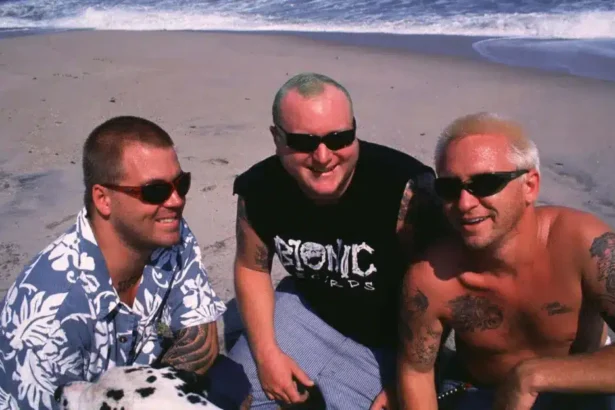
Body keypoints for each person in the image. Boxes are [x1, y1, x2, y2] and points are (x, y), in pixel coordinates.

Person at [223, 72, 439, 409]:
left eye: (339, 138)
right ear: (277, 138)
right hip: (306, 312)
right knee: (229, 396)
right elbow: (252, 267)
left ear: (354, 129)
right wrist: (267, 354)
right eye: (303, 142)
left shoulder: (405, 188)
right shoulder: (260, 188)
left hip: (392, 340)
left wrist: (409, 376)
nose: (323, 156)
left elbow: (440, 290)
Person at [0, 116, 227, 410]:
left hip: (146, 392)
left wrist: (153, 395)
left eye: (181, 184)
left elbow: (200, 338)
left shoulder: (169, 234)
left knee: (233, 382)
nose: (176, 201)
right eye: (155, 191)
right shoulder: (49, 318)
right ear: (103, 199)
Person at [397, 111, 615, 410]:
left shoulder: (584, 244)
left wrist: (532, 377)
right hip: (486, 394)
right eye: (449, 188)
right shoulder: (432, 279)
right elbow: (416, 371)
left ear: (530, 186)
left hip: (581, 386)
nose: (465, 203)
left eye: (486, 184)